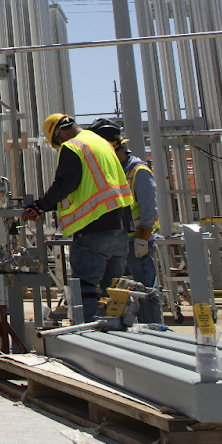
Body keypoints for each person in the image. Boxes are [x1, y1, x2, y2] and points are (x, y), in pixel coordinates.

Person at [22, 114, 133, 323]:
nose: (59, 147)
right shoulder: (102, 143)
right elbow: (89, 185)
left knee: (86, 287)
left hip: (94, 228)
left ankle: (90, 336)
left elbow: (65, 184)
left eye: (57, 143)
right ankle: (121, 335)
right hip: (120, 225)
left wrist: (39, 206)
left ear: (62, 132)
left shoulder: (73, 147)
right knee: (116, 290)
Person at [93, 121, 163, 325]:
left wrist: (142, 239)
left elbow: (149, 208)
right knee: (120, 294)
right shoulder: (116, 172)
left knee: (145, 291)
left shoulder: (138, 171)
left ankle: (154, 331)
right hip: (120, 243)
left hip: (138, 244)